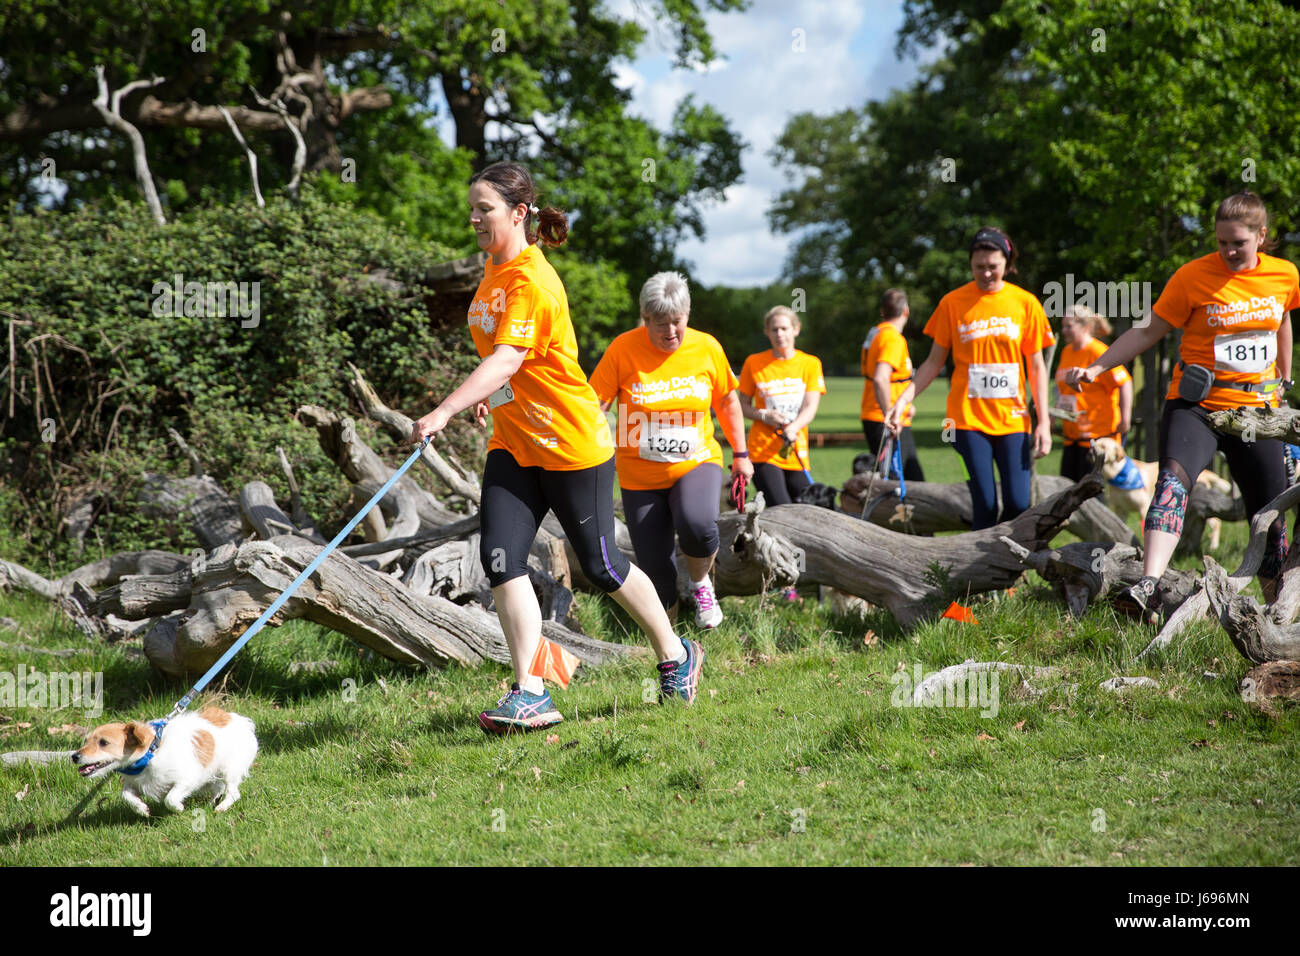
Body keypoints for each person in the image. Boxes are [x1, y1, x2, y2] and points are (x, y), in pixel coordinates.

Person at [409, 161, 704, 734]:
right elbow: (506, 361)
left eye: (484, 209)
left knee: (601, 563)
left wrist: (444, 408)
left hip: (570, 445)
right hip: (515, 444)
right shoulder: (494, 270)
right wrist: (491, 396)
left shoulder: (533, 281)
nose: (473, 218)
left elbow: (510, 356)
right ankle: (531, 691)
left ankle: (675, 653)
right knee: (500, 558)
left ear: (519, 214)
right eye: (471, 208)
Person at [1064, 191, 1298, 616]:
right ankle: (1149, 585)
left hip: (1257, 413)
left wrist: (1284, 379)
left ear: (1261, 236)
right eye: (1221, 241)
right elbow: (1146, 331)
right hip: (1199, 407)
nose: (1228, 250)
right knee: (1171, 483)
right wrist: (1097, 368)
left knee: (1269, 515)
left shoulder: (1284, 275)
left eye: (1238, 243)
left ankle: (1277, 611)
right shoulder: (1191, 276)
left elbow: (1282, 321)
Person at [589, 272, 753, 629]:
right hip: (639, 474)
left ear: (687, 315)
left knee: (698, 525)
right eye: (660, 324)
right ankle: (672, 645)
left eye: (677, 322)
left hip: (696, 461)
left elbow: (727, 402)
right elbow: (594, 406)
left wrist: (741, 455)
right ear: (645, 319)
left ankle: (700, 583)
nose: (670, 332)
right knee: (655, 565)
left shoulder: (706, 347)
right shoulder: (623, 349)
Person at [886, 226, 1054, 529]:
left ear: (1007, 262)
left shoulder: (1025, 303)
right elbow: (933, 362)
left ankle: (1005, 561)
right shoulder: (953, 303)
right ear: (970, 265)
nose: (987, 273)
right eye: (979, 267)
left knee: (1018, 503)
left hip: (1013, 420)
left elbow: (1038, 368)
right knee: (985, 503)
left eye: (993, 266)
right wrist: (902, 400)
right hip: (966, 420)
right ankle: (982, 574)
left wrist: (1043, 421)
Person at [737, 306, 826, 506]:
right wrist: (763, 416)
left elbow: (810, 406)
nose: (779, 334)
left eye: (784, 328)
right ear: (766, 332)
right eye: (774, 329)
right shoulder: (754, 362)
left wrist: (794, 428)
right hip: (763, 450)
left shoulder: (810, 363)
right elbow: (741, 405)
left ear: (796, 329)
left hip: (794, 447)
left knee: (807, 508)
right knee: (782, 507)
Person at [1054, 304, 1133, 481]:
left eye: (1069, 326)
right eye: (1063, 325)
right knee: (1068, 492)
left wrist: (1125, 418)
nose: (1064, 330)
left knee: (1094, 497)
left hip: (1098, 439)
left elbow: (1124, 381)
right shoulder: (1066, 352)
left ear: (1086, 327)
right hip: (1072, 437)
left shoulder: (1098, 352)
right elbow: (1062, 390)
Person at [861, 288, 925, 481]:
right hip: (887, 420)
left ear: (883, 311)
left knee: (905, 478)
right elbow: (881, 378)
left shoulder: (876, 333)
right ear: (906, 311)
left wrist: (905, 405)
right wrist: (889, 412)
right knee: (906, 481)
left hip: (880, 414)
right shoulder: (892, 339)